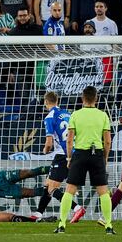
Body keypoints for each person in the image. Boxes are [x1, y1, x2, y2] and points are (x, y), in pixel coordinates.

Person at [55, 86, 115, 235]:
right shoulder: (103, 115)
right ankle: (108, 225)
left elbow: (69, 140)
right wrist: (105, 158)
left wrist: (69, 157)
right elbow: (107, 141)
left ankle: (62, 224)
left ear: (82, 99)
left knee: (69, 190)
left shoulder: (75, 114)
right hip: (97, 154)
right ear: (96, 99)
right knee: (103, 191)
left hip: (80, 154)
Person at [32, 92, 85, 222]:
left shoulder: (49, 117)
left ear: (45, 102)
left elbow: (49, 143)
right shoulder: (68, 113)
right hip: (76, 152)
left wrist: (45, 150)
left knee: (51, 188)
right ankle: (39, 213)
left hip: (62, 155)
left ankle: (77, 208)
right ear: (57, 100)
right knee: (48, 184)